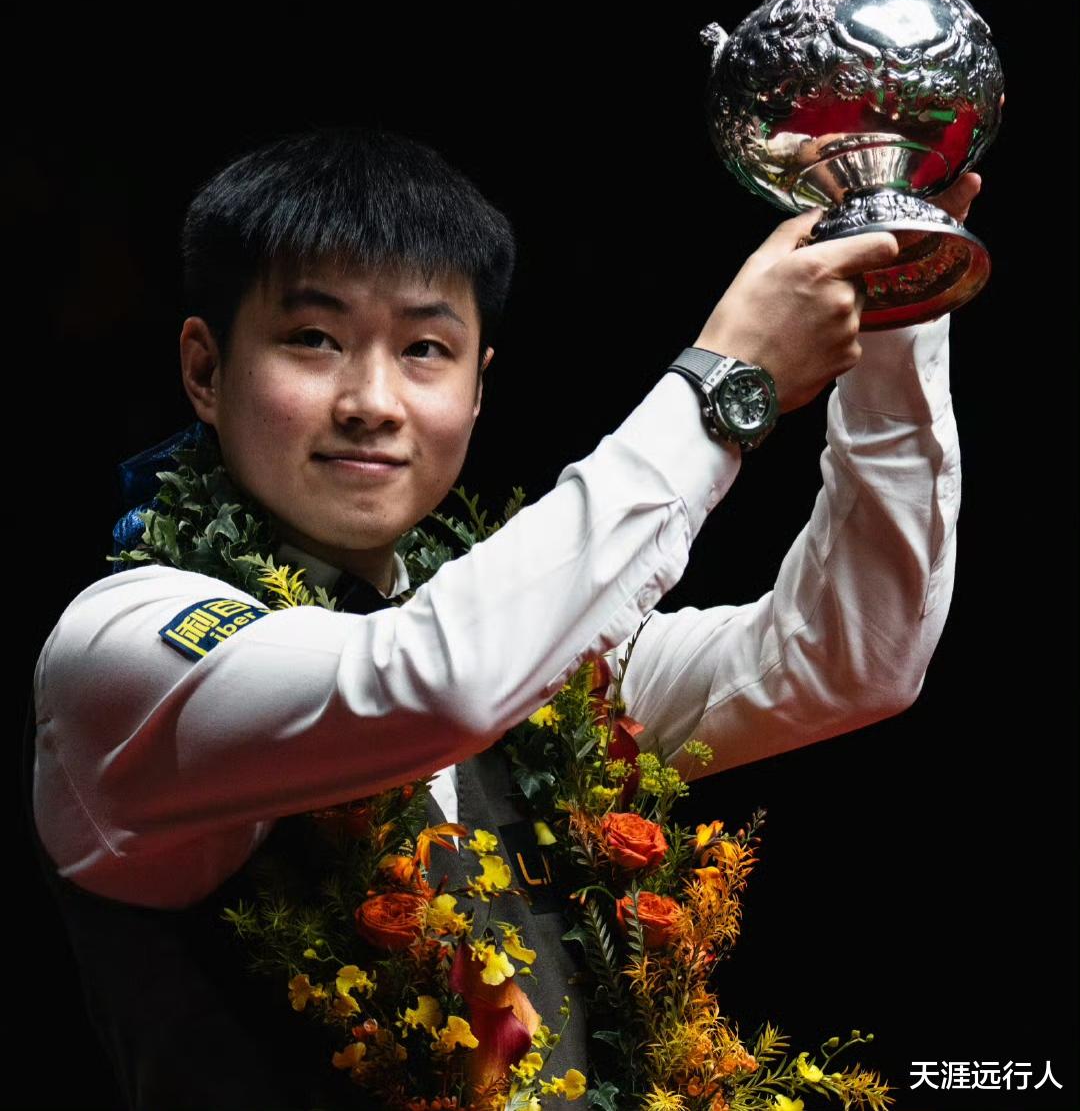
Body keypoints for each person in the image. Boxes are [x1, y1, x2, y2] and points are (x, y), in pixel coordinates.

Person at [29, 126, 976, 1110]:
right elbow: (433, 680)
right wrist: (723, 381)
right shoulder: (122, 648)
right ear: (204, 370)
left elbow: (848, 659)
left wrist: (895, 290)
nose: (372, 402)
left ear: (479, 389)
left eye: (425, 350)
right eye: (313, 339)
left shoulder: (539, 665)